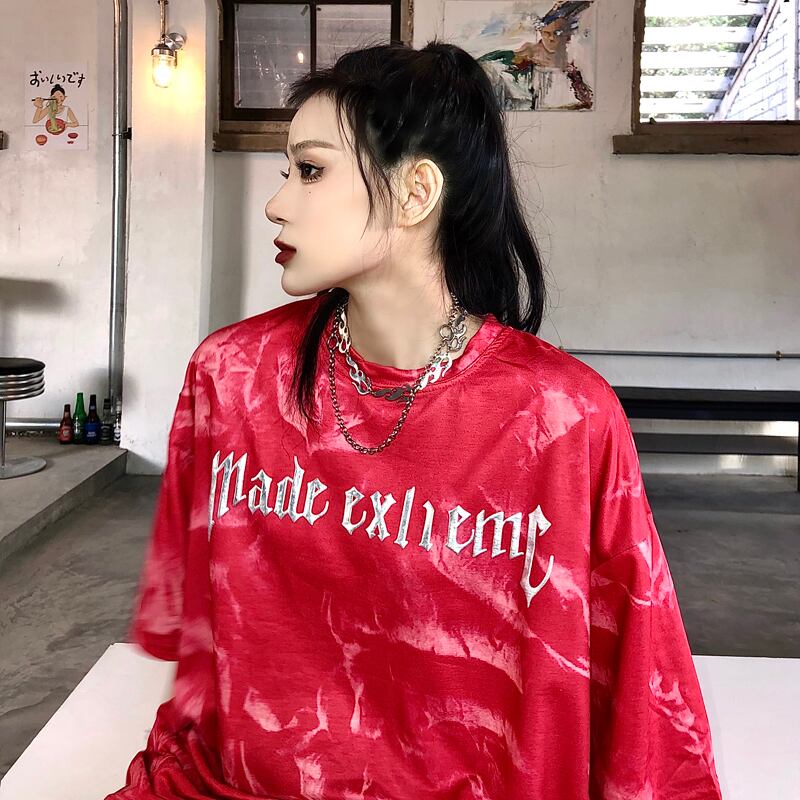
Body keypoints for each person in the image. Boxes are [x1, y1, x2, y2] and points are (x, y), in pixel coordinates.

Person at [106, 39, 723, 800]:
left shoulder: (562, 419)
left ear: (415, 192)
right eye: (287, 171)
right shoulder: (231, 378)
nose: (276, 203)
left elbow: (639, 682)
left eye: (310, 170)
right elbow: (204, 652)